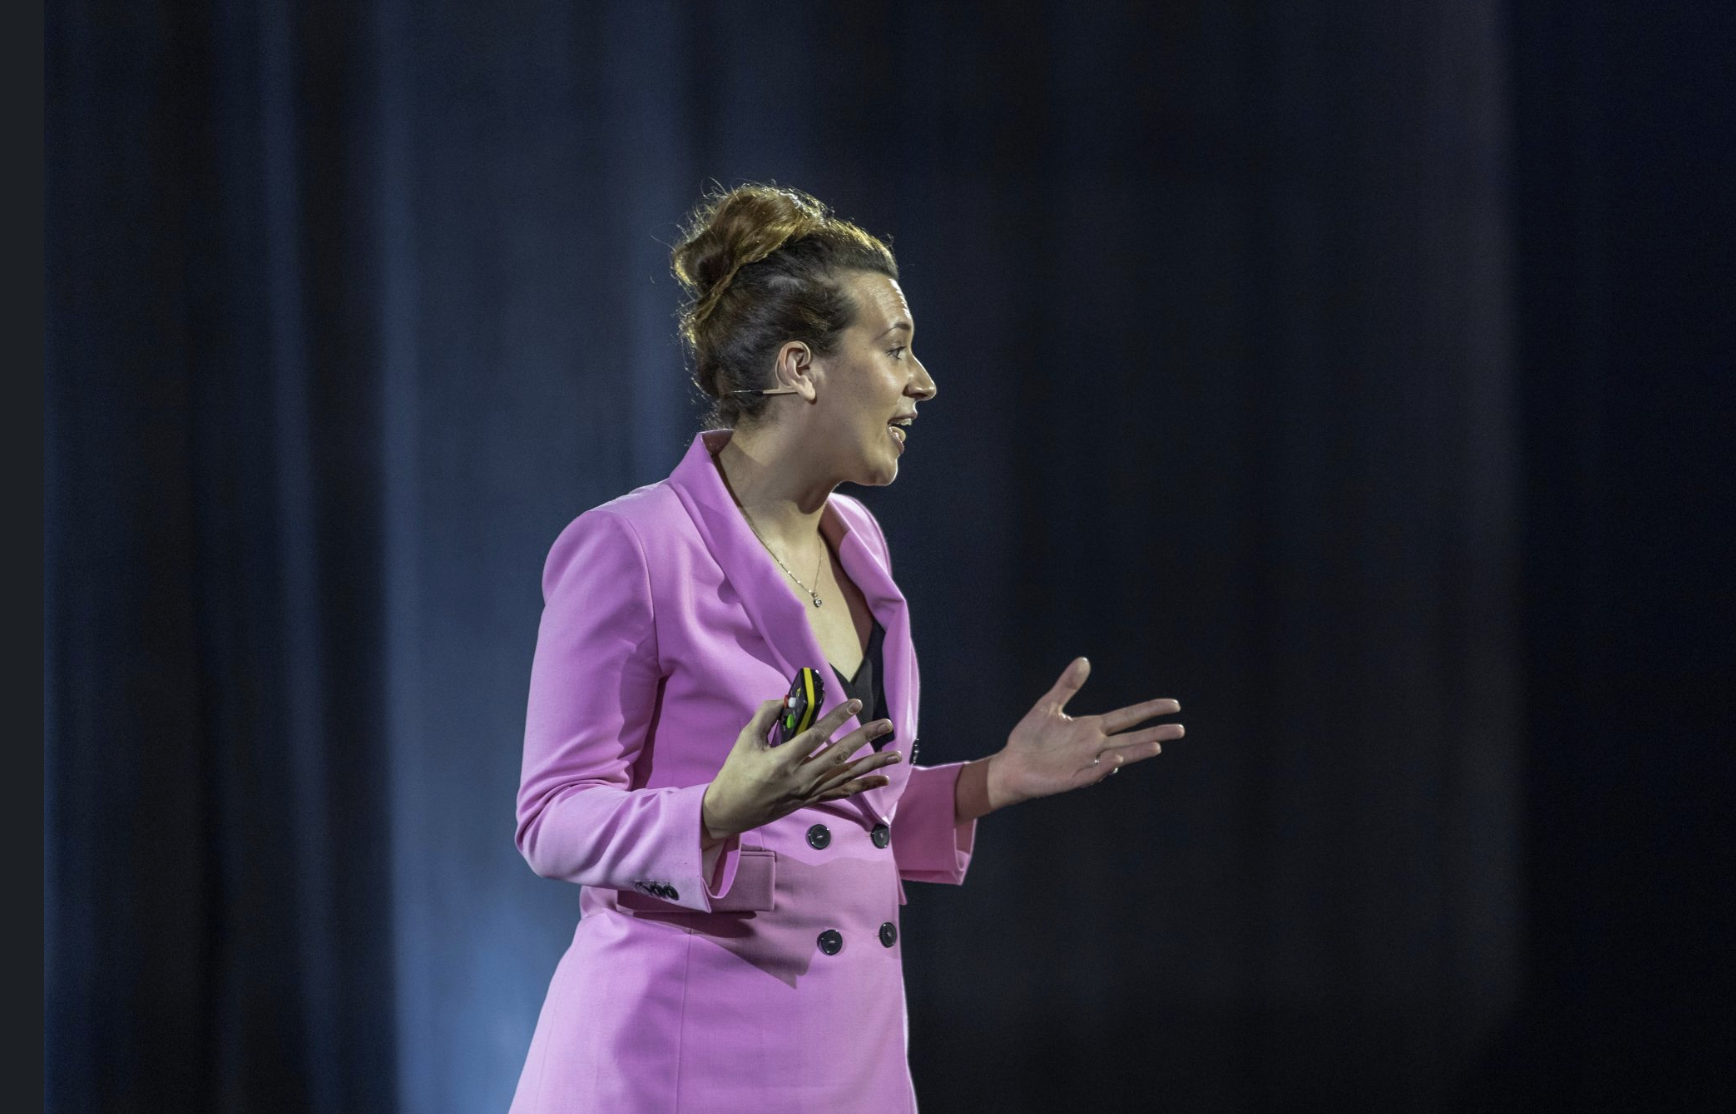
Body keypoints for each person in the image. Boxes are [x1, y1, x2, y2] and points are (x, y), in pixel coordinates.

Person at [508, 183, 1185, 1113]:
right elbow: (552, 819)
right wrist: (714, 811)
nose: (923, 381)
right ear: (802, 367)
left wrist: (989, 781)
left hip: (846, 1062)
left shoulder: (857, 538)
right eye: (896, 347)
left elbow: (836, 819)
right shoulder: (632, 546)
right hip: (675, 1059)